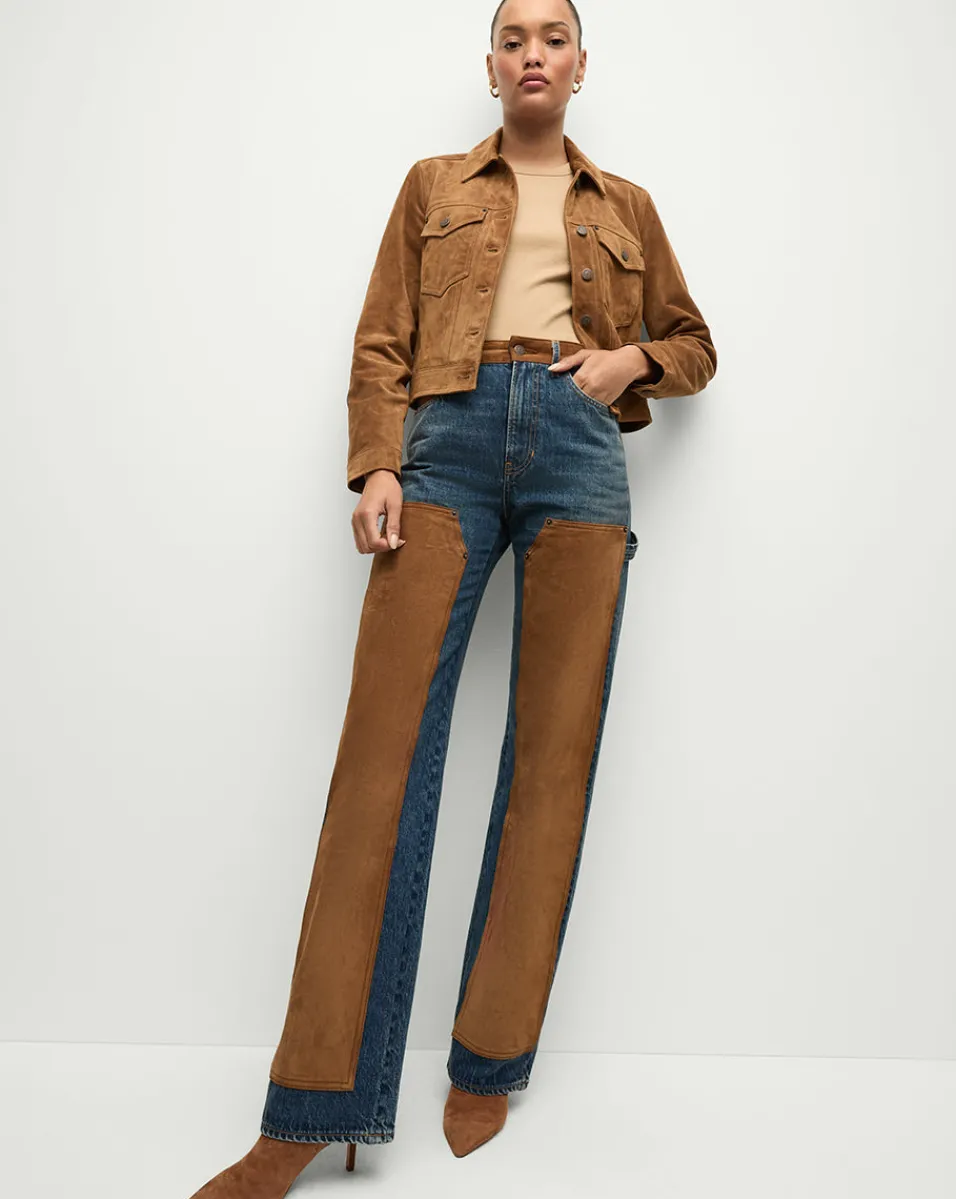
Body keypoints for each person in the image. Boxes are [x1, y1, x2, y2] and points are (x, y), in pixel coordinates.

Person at [188, 0, 716, 1193]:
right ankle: (312, 1105)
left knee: (551, 760)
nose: (533, 52)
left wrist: (628, 360)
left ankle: (488, 1058)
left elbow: (692, 342)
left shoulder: (625, 204)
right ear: (489, 65)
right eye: (513, 36)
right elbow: (383, 336)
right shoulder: (432, 185)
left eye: (553, 36)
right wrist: (376, 462)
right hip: (447, 448)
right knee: (378, 760)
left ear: (580, 65)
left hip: (579, 450)